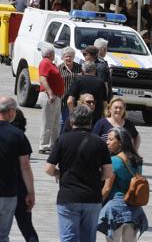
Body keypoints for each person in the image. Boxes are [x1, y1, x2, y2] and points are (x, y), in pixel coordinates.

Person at [45, 105, 113, 242]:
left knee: (69, 238)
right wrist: (94, 177)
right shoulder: (100, 143)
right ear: (90, 122)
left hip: (68, 196)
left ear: (71, 121)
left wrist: (59, 174)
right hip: (92, 197)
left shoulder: (62, 140)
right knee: (88, 238)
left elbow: (48, 169)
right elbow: (108, 173)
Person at [98, 127, 148, 241]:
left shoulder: (114, 161)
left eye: (111, 140)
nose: (107, 142)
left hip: (116, 209)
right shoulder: (137, 160)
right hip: (134, 209)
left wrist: (97, 204)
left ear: (120, 142)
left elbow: (107, 188)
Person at [0, 97, 35, 242]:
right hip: (8, 193)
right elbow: (25, 165)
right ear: (11, 112)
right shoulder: (18, 135)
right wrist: (30, 192)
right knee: (2, 235)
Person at [11, 109, 39, 242]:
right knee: (27, 227)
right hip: (22, 188)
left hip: (5, 188)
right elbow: (26, 166)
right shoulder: (22, 138)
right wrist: (31, 192)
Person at [38, 43, 65, 154]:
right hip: (50, 96)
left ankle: (53, 145)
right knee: (48, 122)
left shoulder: (50, 63)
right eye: (53, 53)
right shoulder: (45, 63)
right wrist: (50, 93)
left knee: (54, 123)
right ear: (50, 53)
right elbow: (43, 79)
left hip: (55, 96)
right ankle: (43, 145)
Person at [58, 47, 82, 135]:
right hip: (63, 99)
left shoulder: (79, 67)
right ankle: (61, 139)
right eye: (67, 56)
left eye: (71, 56)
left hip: (76, 99)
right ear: (63, 57)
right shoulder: (59, 68)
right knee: (63, 122)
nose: (69, 58)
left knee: (76, 122)